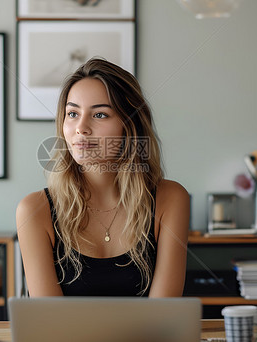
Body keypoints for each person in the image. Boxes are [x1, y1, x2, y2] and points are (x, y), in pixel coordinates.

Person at [16, 58, 190, 297]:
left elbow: (164, 314)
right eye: (73, 113)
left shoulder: (170, 199)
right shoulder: (35, 210)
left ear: (129, 125)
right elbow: (50, 322)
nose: (81, 128)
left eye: (99, 115)